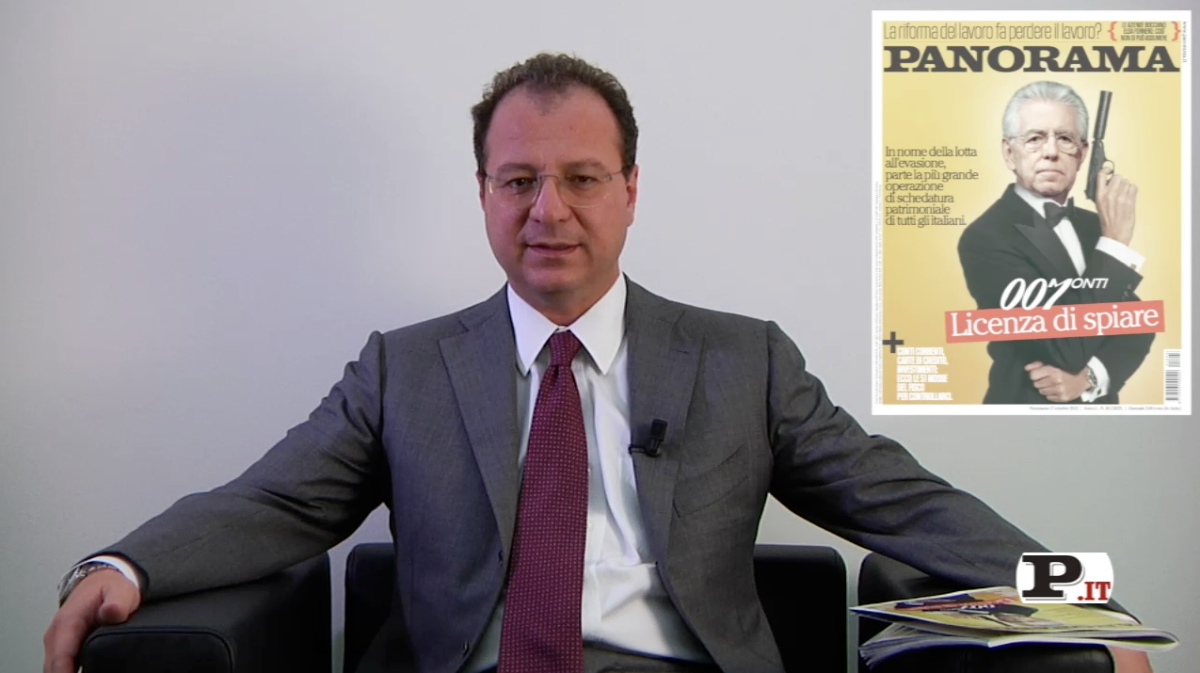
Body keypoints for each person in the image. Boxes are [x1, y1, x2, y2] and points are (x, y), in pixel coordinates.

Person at [44, 55, 1153, 673]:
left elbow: (902, 501)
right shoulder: (403, 370)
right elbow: (274, 501)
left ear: (630, 190)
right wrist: (124, 563)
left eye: (580, 178)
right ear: (484, 194)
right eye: (519, 180)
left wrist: (1085, 598)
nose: (549, 210)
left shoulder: (744, 361)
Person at [957, 81, 1154, 405]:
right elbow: (1065, 348)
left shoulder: (1096, 226)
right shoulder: (985, 238)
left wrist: (1090, 378)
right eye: (1034, 138)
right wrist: (1115, 244)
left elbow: (1138, 326)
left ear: (1083, 154)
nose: (1050, 152)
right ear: (1009, 152)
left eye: (1064, 138)